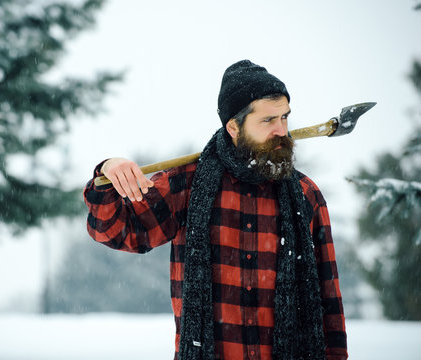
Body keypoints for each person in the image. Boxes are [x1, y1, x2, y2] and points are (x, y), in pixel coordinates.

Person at [83, 60, 348, 360]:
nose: (282, 131)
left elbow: (328, 302)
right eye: (268, 120)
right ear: (234, 126)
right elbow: (115, 231)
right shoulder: (187, 185)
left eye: (284, 118)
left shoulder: (305, 195)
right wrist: (108, 172)